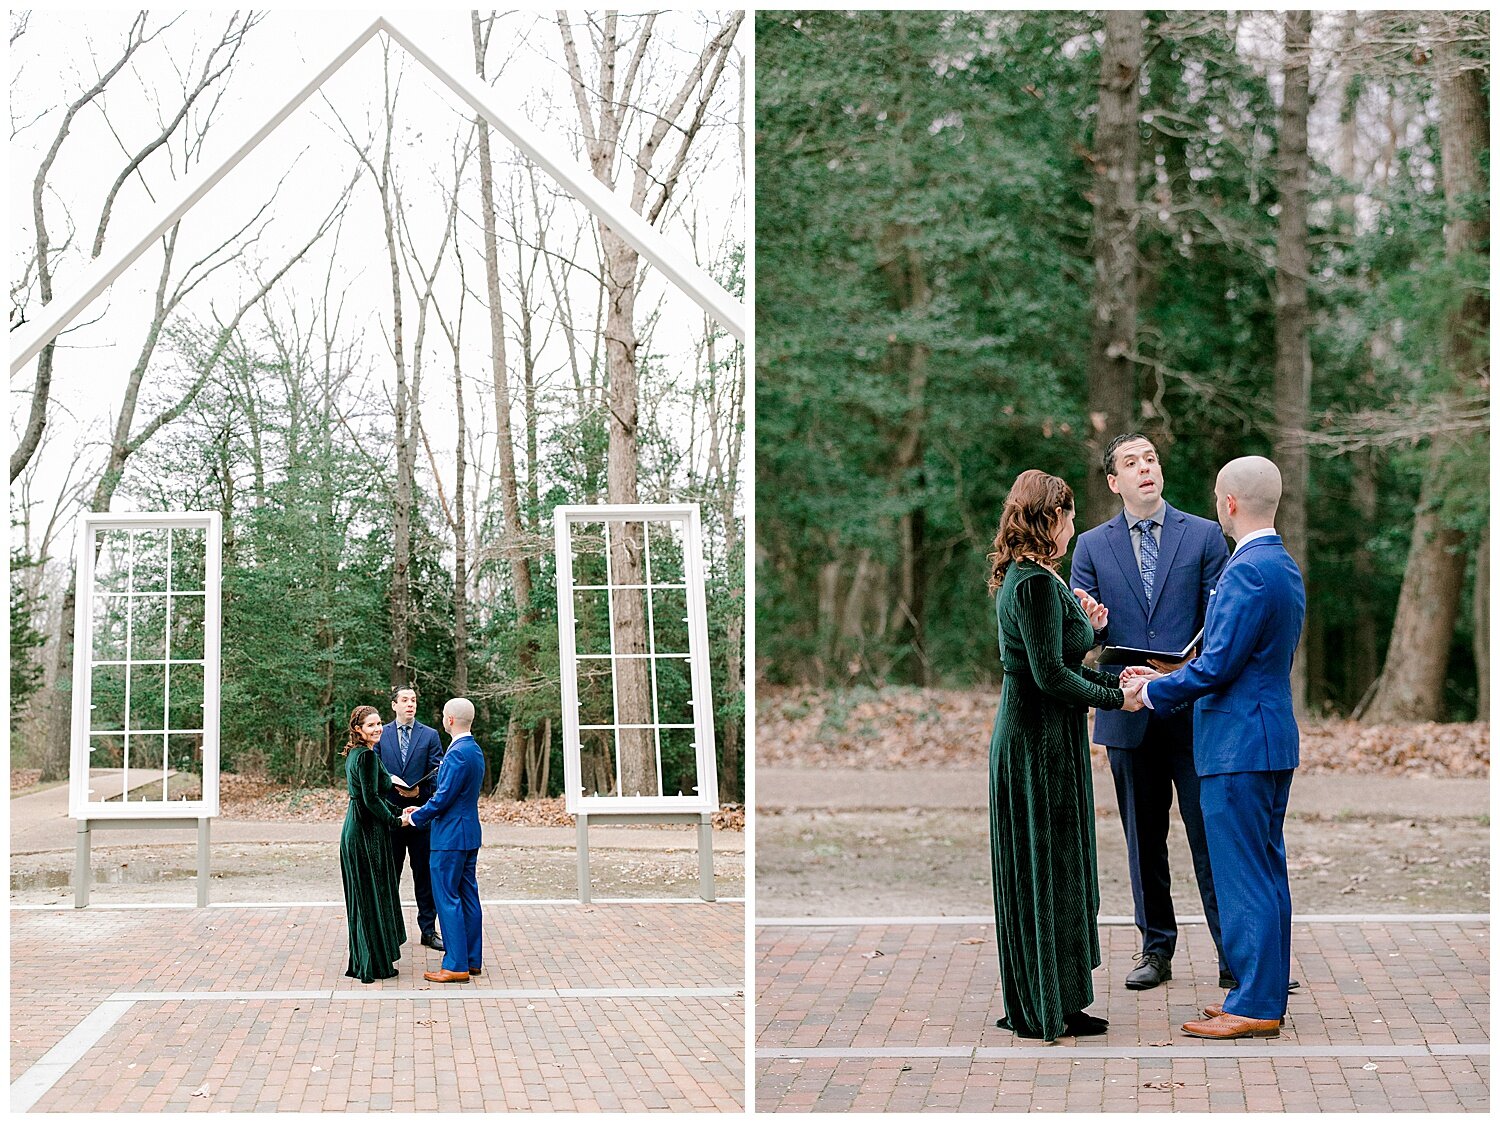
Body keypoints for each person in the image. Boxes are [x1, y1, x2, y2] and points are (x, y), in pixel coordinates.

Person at [1124, 455, 1305, 1040]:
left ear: (1228, 504)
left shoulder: (1246, 570)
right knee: (1267, 871)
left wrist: (1152, 691)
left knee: (1244, 875)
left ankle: (1254, 1003)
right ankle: (1260, 994)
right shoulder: (1281, 565)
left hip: (1238, 743)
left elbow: (1219, 666)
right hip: (1268, 736)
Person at [1069, 433, 1232, 991]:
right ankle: (1155, 949)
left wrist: (1179, 674)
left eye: (1152, 459)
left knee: (1211, 835)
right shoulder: (1090, 546)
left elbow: (1220, 623)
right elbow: (1081, 637)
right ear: (1114, 482)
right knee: (1144, 838)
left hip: (1192, 710)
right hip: (1127, 713)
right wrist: (1087, 625)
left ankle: (1233, 955)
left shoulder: (1207, 536)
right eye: (1132, 464)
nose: (1146, 469)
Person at [986, 469, 1143, 1042]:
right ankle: (1040, 1004)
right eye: (1070, 516)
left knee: (1061, 868)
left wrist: (1090, 631)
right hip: (1033, 743)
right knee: (1042, 869)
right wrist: (1114, 697)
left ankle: (1062, 997)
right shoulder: (1029, 583)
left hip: (1054, 740)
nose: (1075, 526)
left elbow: (1058, 652)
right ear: (1048, 519)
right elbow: (1048, 674)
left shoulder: (1042, 580)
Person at [403, 698, 485, 983]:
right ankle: (472, 959)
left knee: (446, 897)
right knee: (468, 896)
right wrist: (422, 809)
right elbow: (455, 797)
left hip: (450, 837)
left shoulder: (456, 753)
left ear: (449, 720)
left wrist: (414, 817)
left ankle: (455, 965)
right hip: (468, 833)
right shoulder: (474, 750)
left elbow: (443, 798)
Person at [340, 705, 407, 983]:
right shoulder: (365, 756)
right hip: (365, 832)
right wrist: (397, 820)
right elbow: (369, 799)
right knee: (370, 896)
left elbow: (371, 796)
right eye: (371, 725)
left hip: (359, 826)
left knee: (368, 896)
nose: (378, 728)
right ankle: (372, 964)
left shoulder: (357, 753)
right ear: (358, 729)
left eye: (379, 723)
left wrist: (396, 811)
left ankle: (369, 959)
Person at [377, 685, 445, 952]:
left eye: (413, 700)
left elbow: (437, 773)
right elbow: (375, 771)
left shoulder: (429, 735)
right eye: (404, 700)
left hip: (420, 817)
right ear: (394, 705)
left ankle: (428, 931)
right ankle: (387, 931)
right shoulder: (380, 735)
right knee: (389, 876)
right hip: (391, 817)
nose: (410, 704)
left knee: (425, 877)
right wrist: (389, 788)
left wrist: (420, 791)